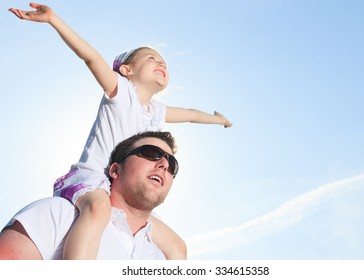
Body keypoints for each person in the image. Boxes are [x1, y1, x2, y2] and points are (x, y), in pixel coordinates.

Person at [8, 3, 232, 260]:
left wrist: (218, 120)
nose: (161, 64)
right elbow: (90, 57)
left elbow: (191, 115)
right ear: (127, 70)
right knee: (98, 210)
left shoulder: (157, 111)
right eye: (151, 59)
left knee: (176, 246)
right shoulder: (121, 92)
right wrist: (54, 20)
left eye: (164, 63)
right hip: (92, 180)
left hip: (124, 191)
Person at [0, 131, 181, 260]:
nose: (164, 164)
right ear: (115, 169)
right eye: (151, 153)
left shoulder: (160, 258)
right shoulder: (59, 215)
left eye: (172, 165)